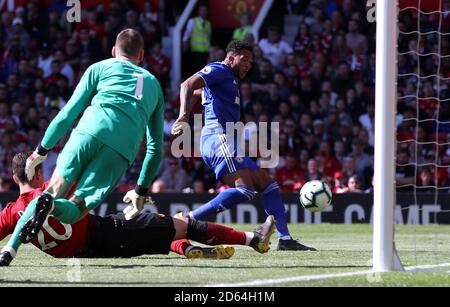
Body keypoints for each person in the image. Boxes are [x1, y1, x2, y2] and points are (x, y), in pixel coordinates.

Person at [0, 29, 165, 264]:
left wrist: (41, 151)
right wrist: (141, 190)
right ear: (141, 55)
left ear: (112, 52)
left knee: (49, 192)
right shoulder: (154, 85)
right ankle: (54, 206)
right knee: (76, 210)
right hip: (121, 148)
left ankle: (9, 249)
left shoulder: (99, 67)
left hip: (88, 131)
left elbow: (67, 114)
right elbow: (155, 148)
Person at [0, 152, 276, 266]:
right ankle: (254, 240)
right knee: (179, 223)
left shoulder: (12, 212)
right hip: (107, 234)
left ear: (14, 178)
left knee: (160, 231)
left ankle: (188, 249)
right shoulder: (52, 188)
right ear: (37, 173)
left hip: (93, 247)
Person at [171, 40, 316, 251]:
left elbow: (196, 93)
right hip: (218, 137)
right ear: (231, 58)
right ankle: (187, 219)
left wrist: (200, 101)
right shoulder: (219, 69)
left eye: (251, 61)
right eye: (245, 60)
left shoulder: (227, 79)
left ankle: (285, 240)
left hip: (227, 139)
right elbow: (187, 85)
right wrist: (184, 115)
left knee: (269, 186)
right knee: (245, 190)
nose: (248, 65)